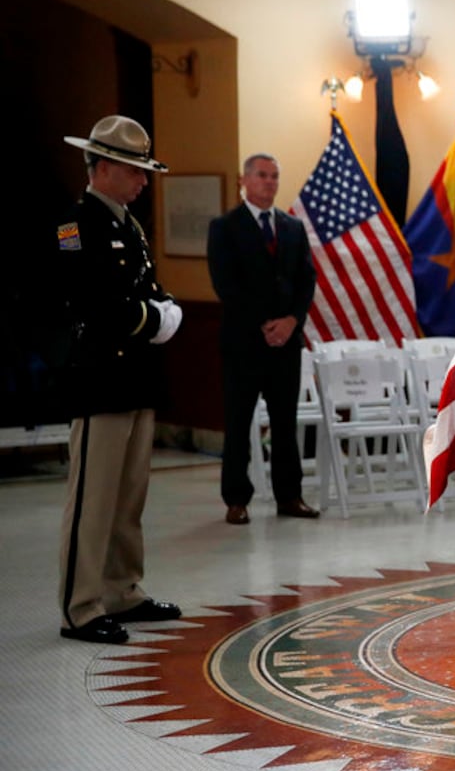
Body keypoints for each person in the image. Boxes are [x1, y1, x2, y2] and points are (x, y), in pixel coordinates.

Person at [56, 115, 184, 644]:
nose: (143, 180)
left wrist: (164, 306)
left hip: (134, 376)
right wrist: (153, 320)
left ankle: (122, 589)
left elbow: (145, 283)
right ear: (103, 167)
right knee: (94, 496)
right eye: (134, 170)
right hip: (101, 376)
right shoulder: (74, 225)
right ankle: (81, 606)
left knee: (129, 495)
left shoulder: (126, 223)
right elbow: (89, 298)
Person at [207, 153, 320, 526]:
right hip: (244, 343)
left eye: (274, 176)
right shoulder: (225, 227)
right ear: (244, 180)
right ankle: (237, 499)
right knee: (239, 423)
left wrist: (291, 321)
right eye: (262, 176)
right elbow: (226, 285)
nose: (269, 182)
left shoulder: (291, 227)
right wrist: (264, 324)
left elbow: (306, 280)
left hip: (286, 343)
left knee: (285, 423)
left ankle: (290, 495)